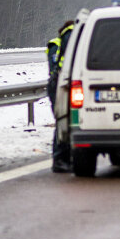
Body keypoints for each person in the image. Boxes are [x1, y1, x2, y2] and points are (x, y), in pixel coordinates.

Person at [46, 20, 75, 173]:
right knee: (63, 121)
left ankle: (64, 158)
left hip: (58, 84)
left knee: (64, 121)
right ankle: (59, 159)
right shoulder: (69, 35)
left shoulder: (56, 43)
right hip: (60, 85)